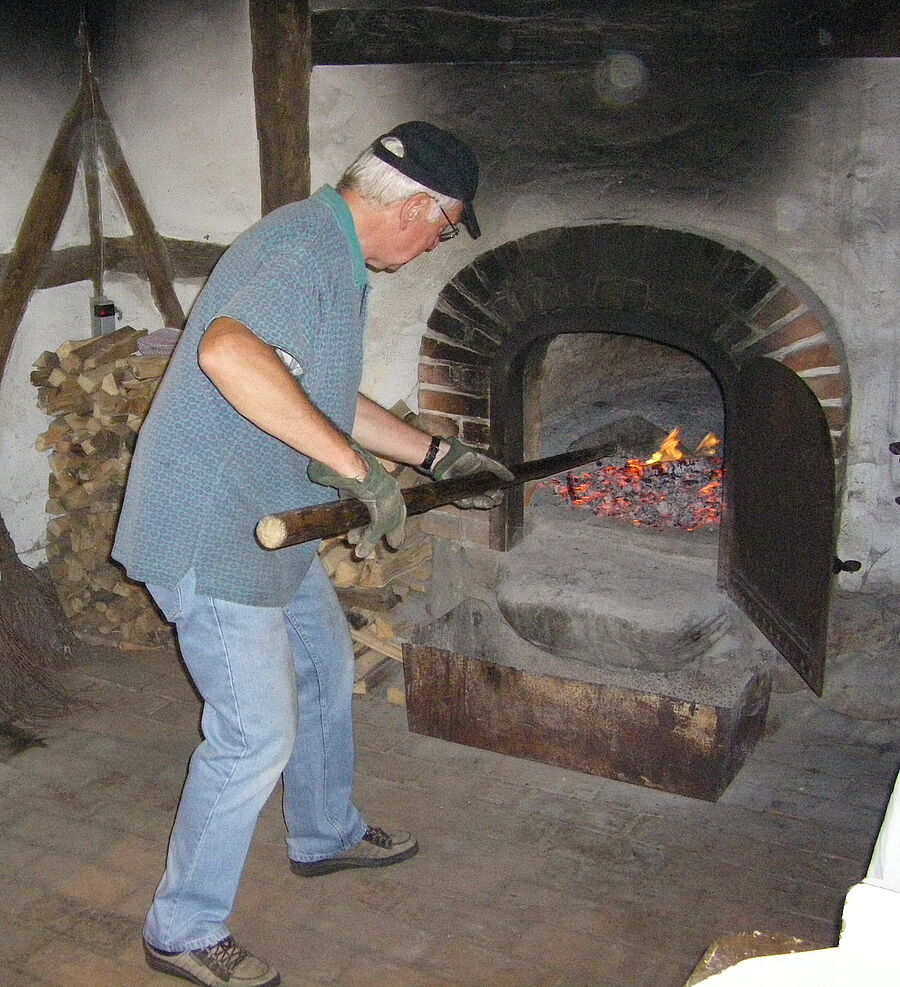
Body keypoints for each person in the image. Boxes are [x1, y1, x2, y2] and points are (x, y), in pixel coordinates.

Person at [112, 121, 513, 987]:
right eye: (443, 229)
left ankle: (323, 831)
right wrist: (356, 471)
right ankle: (180, 926)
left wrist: (430, 454)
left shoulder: (331, 250)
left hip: (271, 523)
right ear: (416, 206)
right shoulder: (302, 251)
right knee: (256, 732)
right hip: (212, 533)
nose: (435, 243)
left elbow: (317, 393)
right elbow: (228, 354)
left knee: (327, 668)